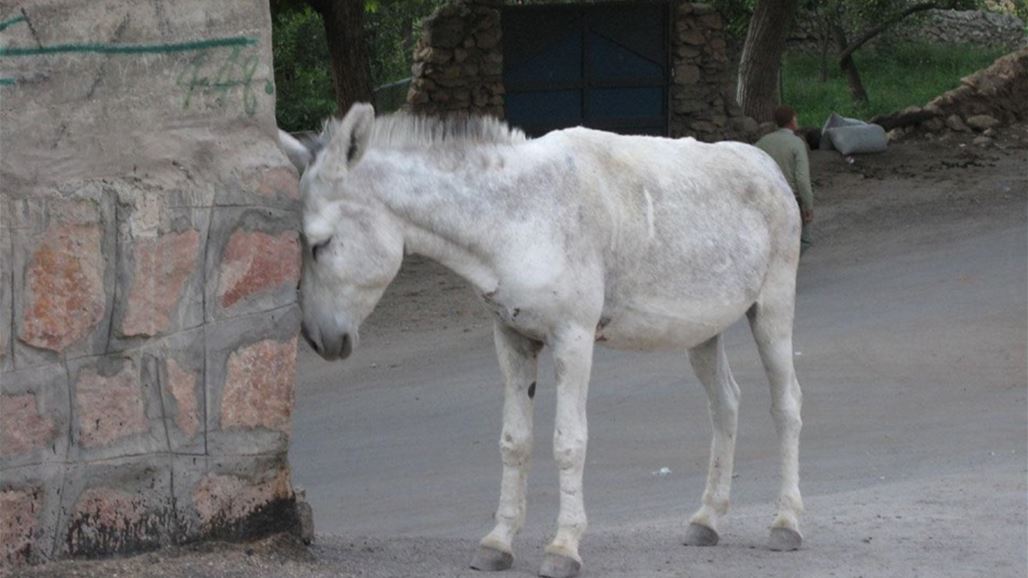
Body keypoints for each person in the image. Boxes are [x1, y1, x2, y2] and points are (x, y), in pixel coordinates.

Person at [755, 105, 814, 254]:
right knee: (804, 240)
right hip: (791, 199)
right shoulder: (797, 144)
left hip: (767, 197)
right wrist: (808, 205)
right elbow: (801, 178)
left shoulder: (762, 142)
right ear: (793, 121)